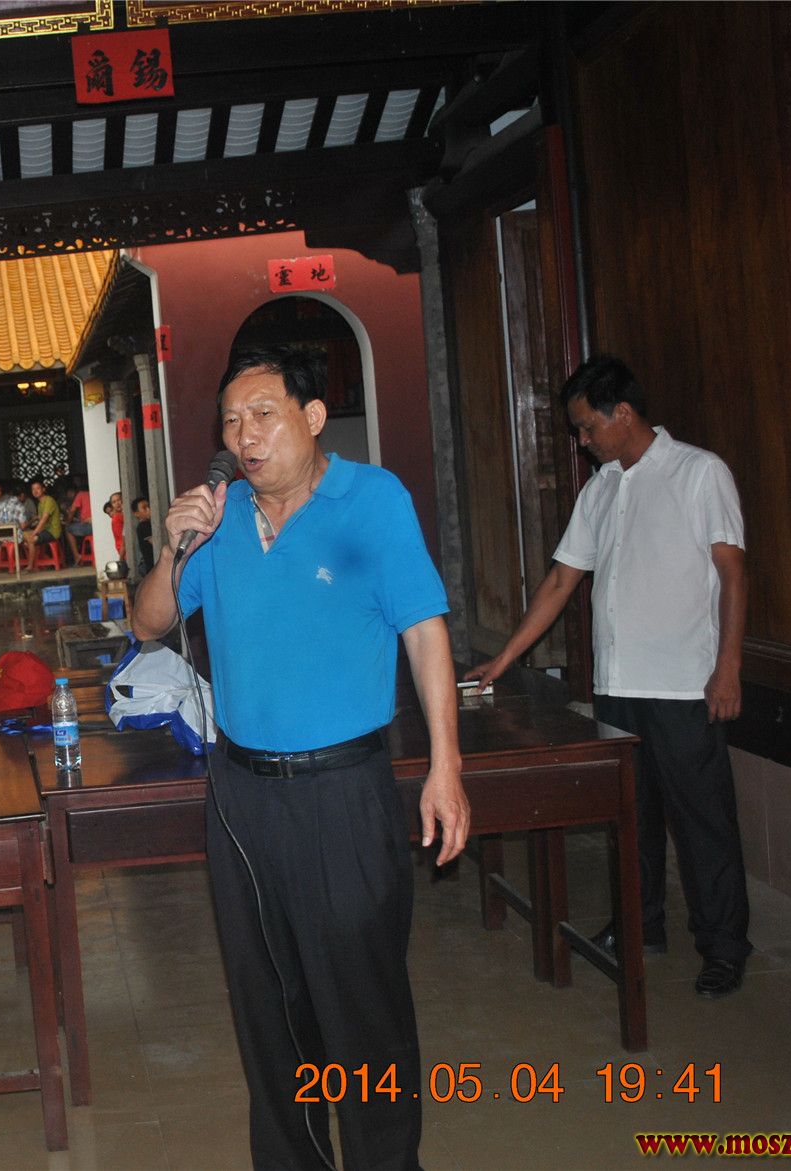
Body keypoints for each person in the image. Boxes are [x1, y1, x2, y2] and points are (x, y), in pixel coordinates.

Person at [132, 344, 468, 1171]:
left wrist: (445, 765)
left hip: (342, 792)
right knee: (268, 1009)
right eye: (230, 422)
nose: (244, 436)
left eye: (263, 415)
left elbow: (424, 632)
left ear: (312, 418)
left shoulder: (372, 500)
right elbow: (147, 622)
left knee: (362, 1009)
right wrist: (174, 548)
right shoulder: (218, 521)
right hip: (241, 799)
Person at [467, 354, 751, 999]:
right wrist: (505, 659)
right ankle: (639, 926)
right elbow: (561, 581)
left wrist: (728, 667)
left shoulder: (699, 472)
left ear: (622, 412)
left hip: (684, 685)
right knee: (631, 817)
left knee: (702, 823)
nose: (582, 440)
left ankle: (724, 947)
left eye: (587, 426)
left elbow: (733, 572)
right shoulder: (600, 490)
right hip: (619, 686)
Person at [19, 478, 62, 569]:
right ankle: (40, 562)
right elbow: (39, 519)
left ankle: (31, 566)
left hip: (52, 532)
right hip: (44, 530)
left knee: (31, 540)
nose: (35, 491)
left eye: (38, 488)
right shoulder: (40, 504)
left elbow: (44, 520)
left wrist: (34, 532)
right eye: (33, 489)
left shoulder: (49, 501)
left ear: (43, 489)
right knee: (23, 537)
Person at [131, 498, 155, 577]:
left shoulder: (149, 524)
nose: (148, 509)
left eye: (148, 506)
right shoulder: (144, 526)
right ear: (137, 514)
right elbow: (155, 543)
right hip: (152, 566)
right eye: (144, 508)